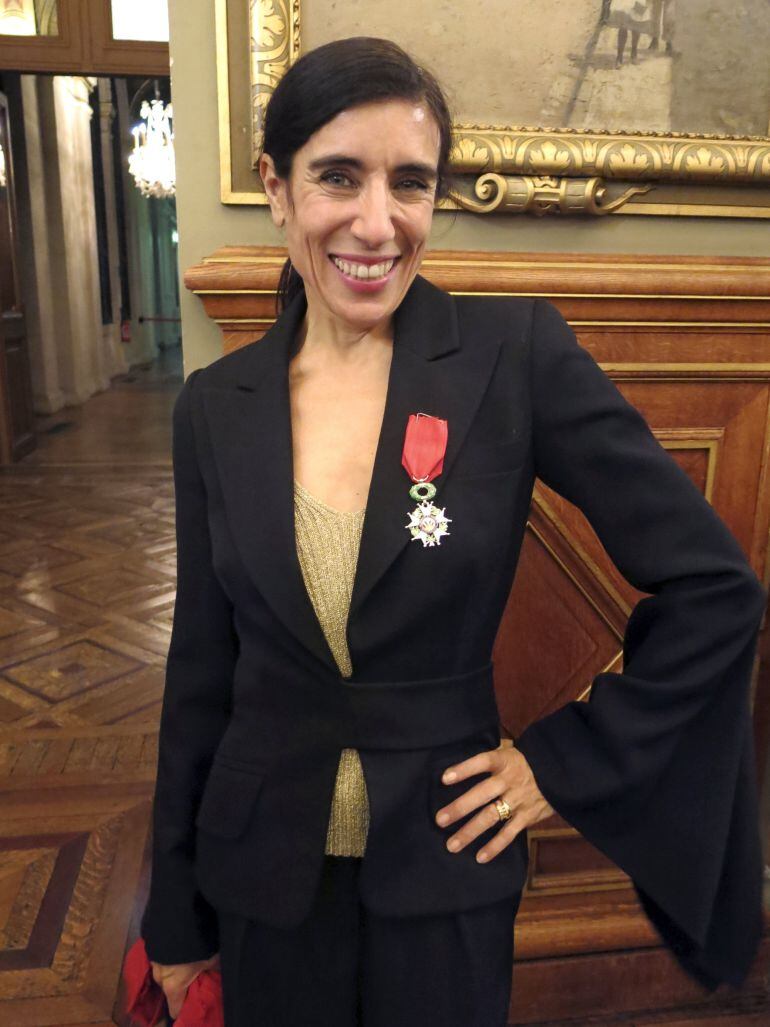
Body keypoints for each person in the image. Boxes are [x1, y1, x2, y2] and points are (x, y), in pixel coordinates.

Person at [139, 36, 767, 1027]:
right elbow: (200, 671)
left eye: (411, 183)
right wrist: (173, 918)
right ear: (276, 184)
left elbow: (715, 588)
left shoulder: (512, 358)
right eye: (337, 177)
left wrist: (558, 763)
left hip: (444, 867)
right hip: (258, 870)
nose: (376, 222)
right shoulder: (216, 404)